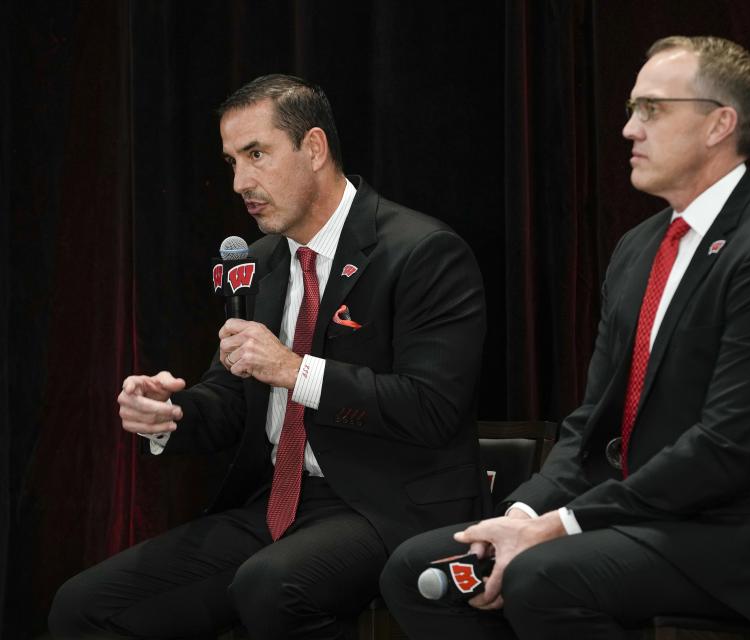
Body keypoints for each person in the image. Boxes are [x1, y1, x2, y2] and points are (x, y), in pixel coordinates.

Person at [380, 36, 750, 640]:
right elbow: (590, 424)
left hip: (740, 537)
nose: (629, 130)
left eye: (653, 110)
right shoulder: (639, 248)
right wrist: (521, 515)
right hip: (637, 519)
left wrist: (559, 525)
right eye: (632, 109)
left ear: (720, 123)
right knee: (415, 569)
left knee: (543, 576)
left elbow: (728, 445)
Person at [48, 74, 488, 639]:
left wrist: (293, 370)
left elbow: (432, 407)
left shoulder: (423, 252)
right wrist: (171, 413)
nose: (239, 182)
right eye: (232, 161)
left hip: (389, 507)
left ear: (313, 148)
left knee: (271, 586)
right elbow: (231, 398)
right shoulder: (259, 263)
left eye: (256, 154)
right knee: (82, 605)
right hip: (279, 506)